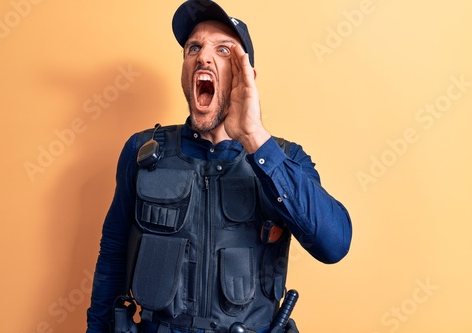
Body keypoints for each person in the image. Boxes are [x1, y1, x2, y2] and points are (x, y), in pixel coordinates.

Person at [86, 1, 352, 332]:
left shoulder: (286, 158)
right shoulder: (142, 151)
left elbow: (335, 244)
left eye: (223, 50)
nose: (203, 56)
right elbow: (112, 255)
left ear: (247, 77)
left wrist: (256, 140)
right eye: (193, 47)